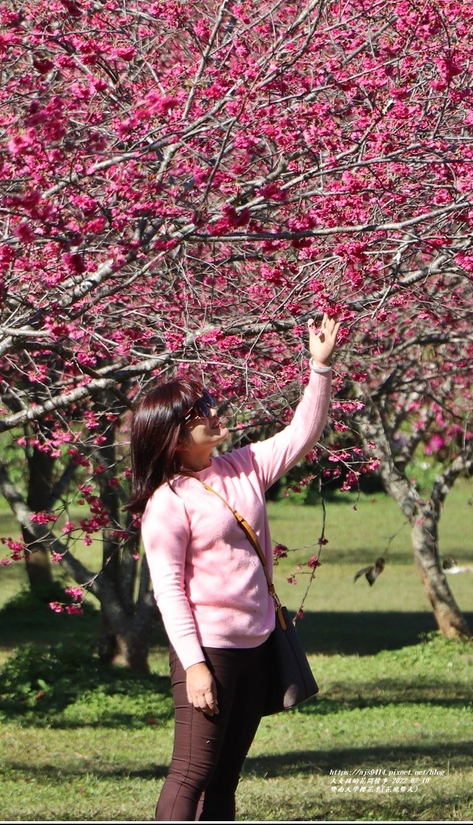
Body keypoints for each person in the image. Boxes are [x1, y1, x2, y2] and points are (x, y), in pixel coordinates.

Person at [126, 314, 340, 821]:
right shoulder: (167, 503)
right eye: (199, 411)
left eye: (207, 404)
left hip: (258, 643)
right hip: (210, 651)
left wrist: (320, 367)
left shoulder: (243, 466)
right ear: (175, 437)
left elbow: (299, 435)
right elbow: (170, 593)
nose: (213, 411)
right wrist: (195, 665)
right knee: (191, 772)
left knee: (225, 778)